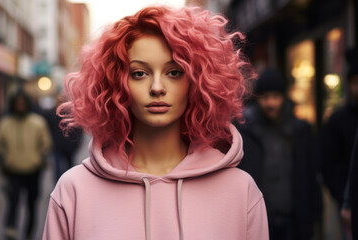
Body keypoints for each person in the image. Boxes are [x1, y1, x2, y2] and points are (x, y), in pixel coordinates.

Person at [43, 6, 269, 240]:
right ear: (116, 84)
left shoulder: (240, 191)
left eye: (174, 72)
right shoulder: (74, 191)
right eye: (140, 73)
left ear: (197, 81)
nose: (157, 87)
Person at [237, 68, 322, 240]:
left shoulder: (300, 131)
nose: (270, 103)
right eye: (265, 97)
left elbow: (311, 177)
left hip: (294, 219)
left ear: (283, 97)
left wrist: (315, 217)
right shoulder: (246, 132)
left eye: (275, 97)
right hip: (259, 218)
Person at [0, 90, 52, 240]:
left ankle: (29, 232)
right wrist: (3, 160)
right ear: (12, 104)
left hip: (33, 170)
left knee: (31, 204)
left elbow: (45, 144)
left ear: (27, 104)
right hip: (12, 170)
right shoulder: (4, 123)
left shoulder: (38, 122)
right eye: (17, 103)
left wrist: (41, 160)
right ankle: (11, 229)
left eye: (22, 102)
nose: (20, 105)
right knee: (13, 201)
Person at [324, 61, 358, 239]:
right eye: (354, 82)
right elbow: (329, 163)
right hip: (348, 203)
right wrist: (343, 200)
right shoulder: (338, 120)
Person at [44, 94, 83, 183]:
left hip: (70, 147)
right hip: (57, 147)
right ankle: (59, 187)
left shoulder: (72, 115)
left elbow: (79, 130)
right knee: (57, 169)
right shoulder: (51, 114)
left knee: (70, 168)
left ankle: (70, 186)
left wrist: (75, 144)